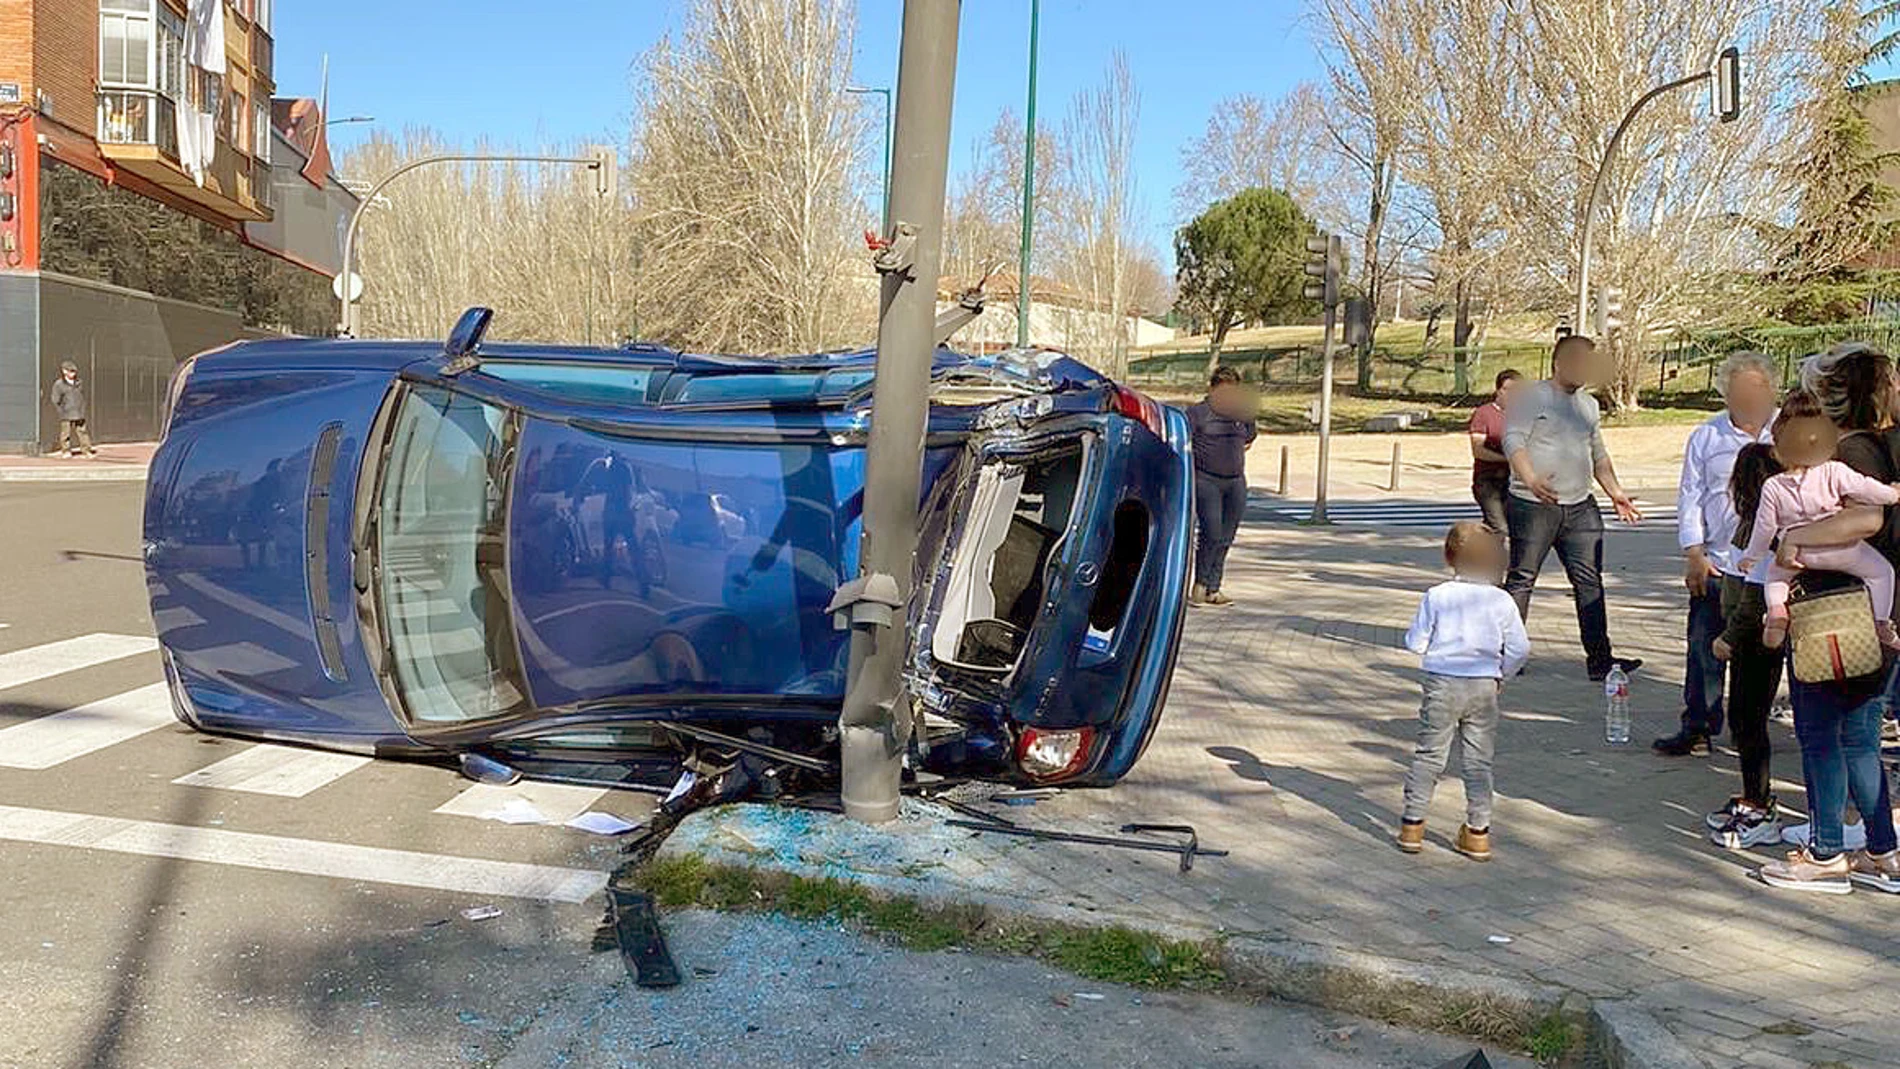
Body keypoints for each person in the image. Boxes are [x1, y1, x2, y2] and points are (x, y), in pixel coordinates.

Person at [1500, 335, 1643, 681]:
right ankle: (1507, 656)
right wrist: (1530, 478)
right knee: (1521, 579)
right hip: (1534, 504)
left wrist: (1616, 492)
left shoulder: (1588, 405)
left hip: (1580, 507)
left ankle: (1600, 661)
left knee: (1589, 582)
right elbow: (1513, 439)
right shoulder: (1533, 397)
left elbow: (1598, 454)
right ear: (1559, 364)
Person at [1657, 353, 1777, 756]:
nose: (1749, 398)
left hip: (1772, 567)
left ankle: (1751, 728)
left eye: (1757, 389)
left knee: (1760, 654)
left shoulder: (1787, 432)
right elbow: (1689, 497)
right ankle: (1699, 726)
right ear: (1725, 393)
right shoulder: (1707, 437)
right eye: (1740, 390)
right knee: (1705, 647)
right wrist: (1693, 552)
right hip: (1719, 561)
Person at [1757, 568, 1900, 894]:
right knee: (1860, 743)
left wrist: (1792, 541)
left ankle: (1826, 854)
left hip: (1827, 618)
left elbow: (1866, 521)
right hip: (1871, 621)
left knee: (1823, 742)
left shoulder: (1850, 516)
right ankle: (1883, 852)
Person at [1397, 521, 1530, 862]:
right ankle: (1478, 831)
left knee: (1429, 755)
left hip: (1442, 682)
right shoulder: (1501, 601)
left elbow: (1415, 642)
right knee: (1478, 761)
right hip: (1484, 684)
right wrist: (1502, 674)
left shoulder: (1437, 595)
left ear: (1449, 556)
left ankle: (1412, 824)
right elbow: (1519, 648)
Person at [1738, 389, 1900, 649]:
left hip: (1797, 555)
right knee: (1882, 573)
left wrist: (1752, 555)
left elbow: (1765, 526)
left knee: (1775, 576)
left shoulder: (1773, 486)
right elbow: (1867, 488)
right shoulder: (1834, 472)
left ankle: (1777, 613)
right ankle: (1881, 622)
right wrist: (1892, 494)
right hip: (1841, 549)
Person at [1705, 443, 1787, 848]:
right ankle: (1754, 795)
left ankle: (1760, 802)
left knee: (1748, 719)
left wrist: (1727, 637)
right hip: (1749, 634)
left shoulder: (1764, 528)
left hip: (1756, 638)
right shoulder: (1750, 523)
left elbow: (1755, 598)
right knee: (1744, 719)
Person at [1187, 367, 1257, 606]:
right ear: (1213, 389)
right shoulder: (1197, 413)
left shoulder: (1242, 414)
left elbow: (1249, 439)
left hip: (1235, 481)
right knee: (1211, 533)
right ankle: (1200, 584)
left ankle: (1213, 588)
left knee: (1226, 536)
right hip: (1206, 480)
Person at [1467, 369, 1521, 533]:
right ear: (1498, 390)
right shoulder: (1484, 414)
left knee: (1513, 527)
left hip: (1514, 480)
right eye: (1509, 390)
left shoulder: (1523, 414)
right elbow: (1478, 450)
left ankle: (1485, 550)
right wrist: (1507, 459)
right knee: (1500, 527)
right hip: (1489, 480)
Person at [48, 360, 96, 458]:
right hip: (66, 413)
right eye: (70, 371)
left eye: (74, 371)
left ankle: (86, 450)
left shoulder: (79, 382)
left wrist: (82, 408)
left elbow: (82, 396)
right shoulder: (59, 384)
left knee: (82, 432)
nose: (73, 374)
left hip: (79, 412)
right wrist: (61, 410)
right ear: (64, 371)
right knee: (66, 433)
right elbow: (55, 399)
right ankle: (66, 451)